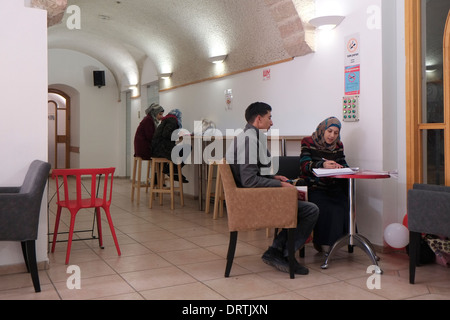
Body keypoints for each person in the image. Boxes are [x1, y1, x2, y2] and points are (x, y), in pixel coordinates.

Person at [226, 102, 319, 275]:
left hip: (248, 195)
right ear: (259, 119)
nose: (272, 122)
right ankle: (281, 253)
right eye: (270, 117)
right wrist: (280, 184)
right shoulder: (249, 140)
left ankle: (276, 251)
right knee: (310, 210)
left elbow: (252, 173)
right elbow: (249, 180)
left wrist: (273, 178)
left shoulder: (247, 136)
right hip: (251, 199)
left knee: (301, 203)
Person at [299, 116, 350, 253]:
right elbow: (305, 166)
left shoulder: (338, 145)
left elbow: (343, 162)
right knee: (329, 208)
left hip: (332, 187)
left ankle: (344, 241)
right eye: (329, 131)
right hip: (314, 187)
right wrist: (323, 165)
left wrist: (342, 167)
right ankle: (324, 243)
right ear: (323, 129)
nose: (332, 136)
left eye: (336, 133)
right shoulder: (308, 142)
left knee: (346, 205)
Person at [152, 108, 188, 183]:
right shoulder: (172, 120)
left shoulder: (166, 120)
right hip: (162, 149)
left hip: (156, 150)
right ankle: (172, 171)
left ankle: (170, 171)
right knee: (187, 148)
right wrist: (178, 135)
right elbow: (166, 134)